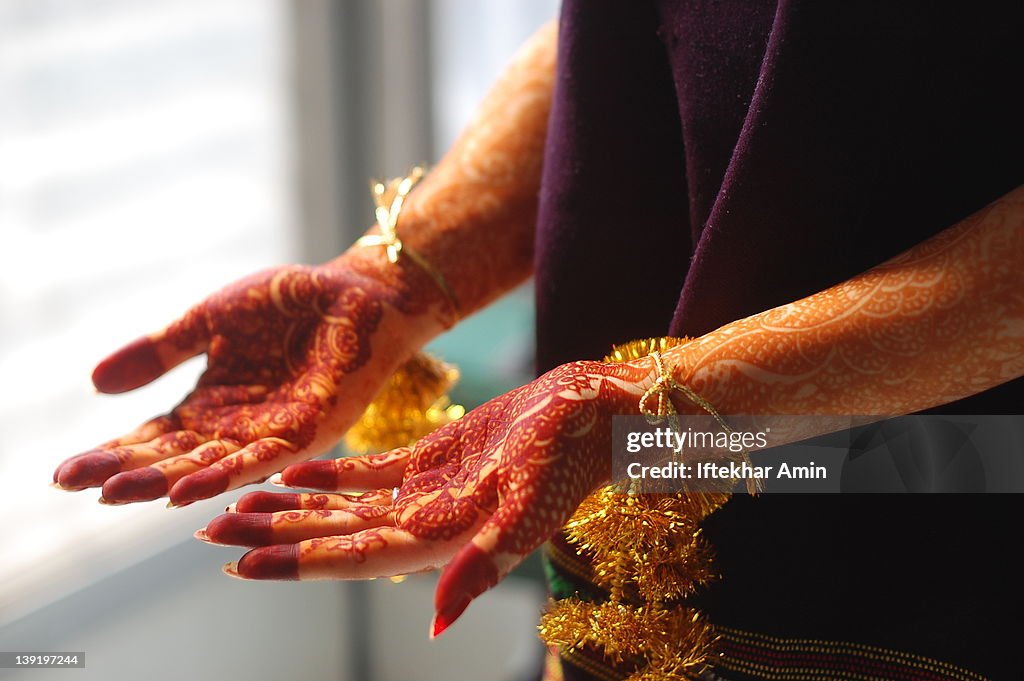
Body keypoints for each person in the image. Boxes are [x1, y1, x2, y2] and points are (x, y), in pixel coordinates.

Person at [53, 3, 1023, 679]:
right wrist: (396, 278)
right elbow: (631, 42)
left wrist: (651, 404)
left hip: (958, 510)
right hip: (633, 536)